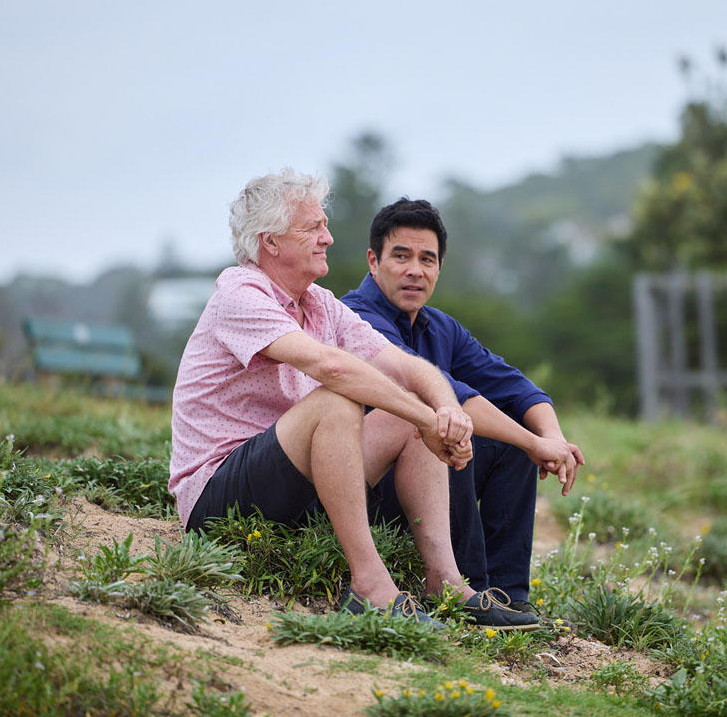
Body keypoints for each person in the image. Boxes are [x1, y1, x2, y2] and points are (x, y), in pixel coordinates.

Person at [168, 169, 538, 630]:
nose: (327, 237)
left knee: (404, 406)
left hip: (287, 489)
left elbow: (407, 366)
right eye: (312, 228)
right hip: (217, 500)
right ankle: (369, 587)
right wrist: (428, 419)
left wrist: (443, 411)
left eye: (324, 225)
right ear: (271, 241)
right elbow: (332, 368)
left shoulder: (320, 303)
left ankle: (445, 582)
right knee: (337, 400)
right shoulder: (240, 292)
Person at [342, 197, 584, 617]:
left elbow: (515, 386)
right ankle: (464, 586)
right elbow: (450, 397)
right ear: (373, 261)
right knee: (450, 430)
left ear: (439, 267)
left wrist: (552, 437)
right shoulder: (354, 317)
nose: (415, 270)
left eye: (427, 259)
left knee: (508, 440)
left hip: (424, 488)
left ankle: (505, 595)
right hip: (361, 489)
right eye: (401, 256)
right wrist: (533, 443)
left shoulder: (440, 327)